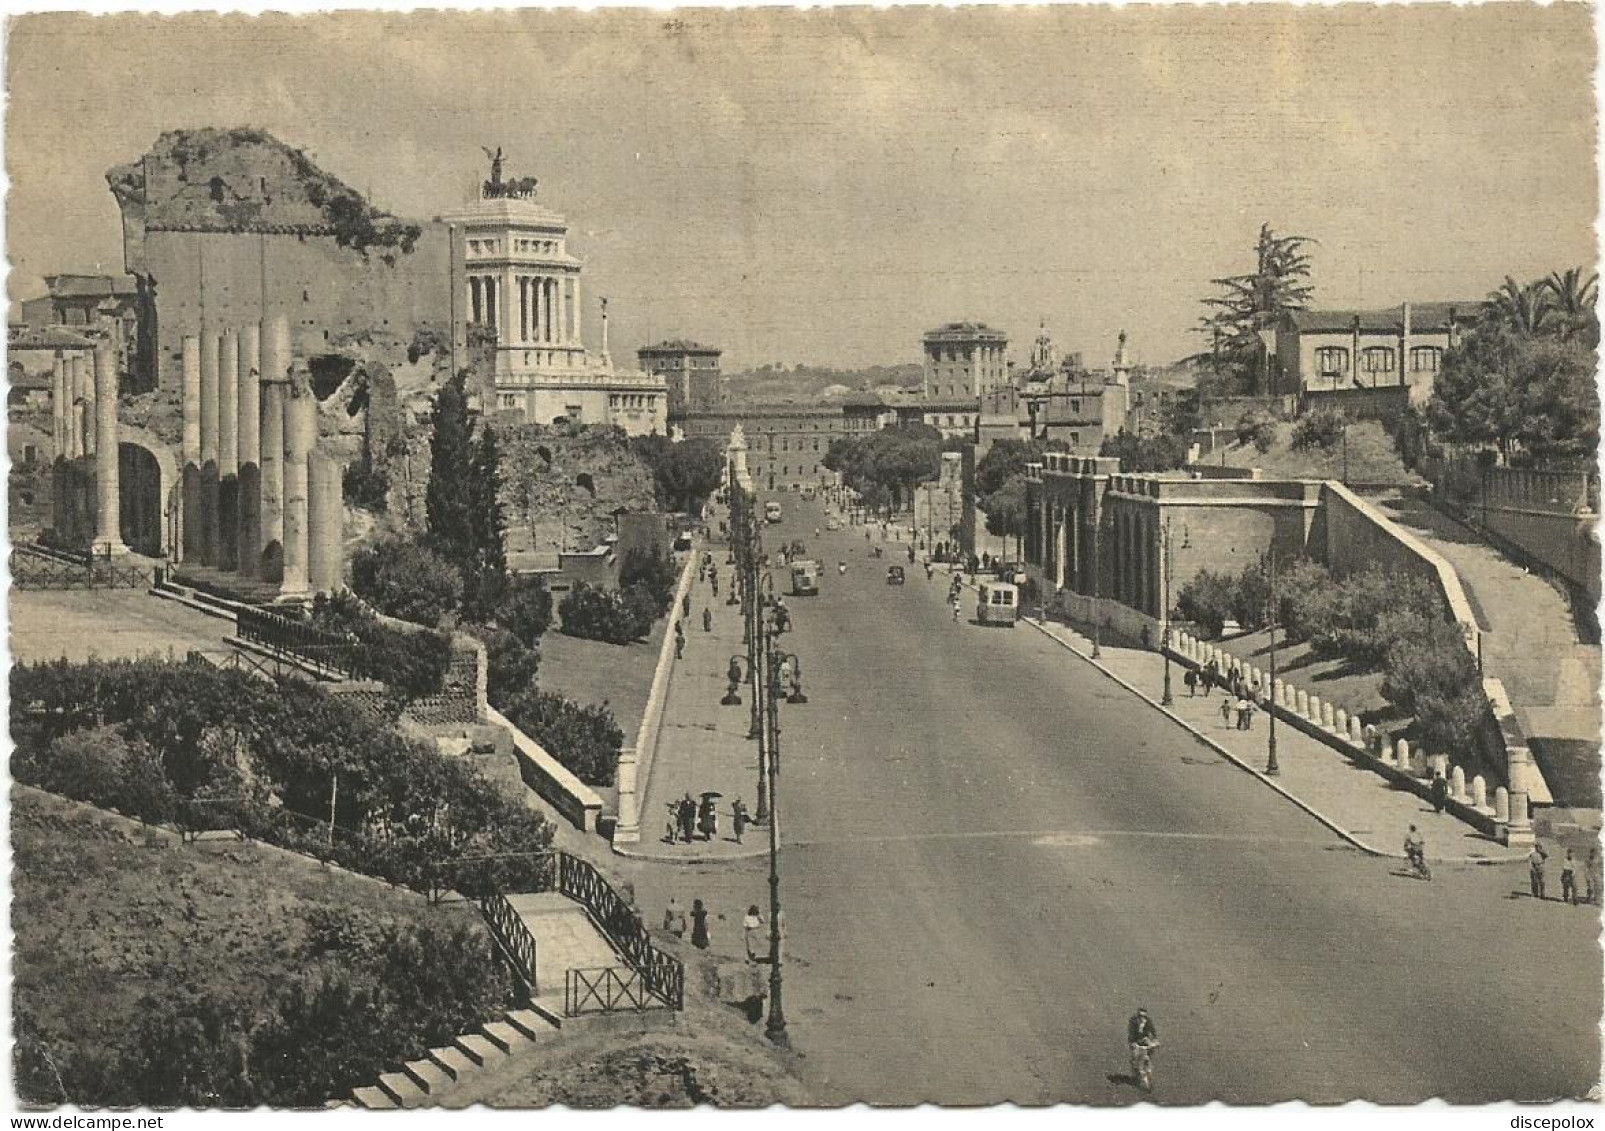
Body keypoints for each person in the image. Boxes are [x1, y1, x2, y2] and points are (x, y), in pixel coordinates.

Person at [1127, 1008, 1159, 1093]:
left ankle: (1147, 1082)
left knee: (1144, 1063)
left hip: (1145, 1044)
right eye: (1140, 1016)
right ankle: (1139, 1077)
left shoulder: (1148, 1022)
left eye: (1144, 1016)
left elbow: (1153, 1031)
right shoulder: (1133, 1022)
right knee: (1134, 1062)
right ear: (1138, 1016)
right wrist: (1132, 1042)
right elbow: (1131, 1033)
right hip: (1137, 1043)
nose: (1142, 1018)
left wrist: (1155, 1040)